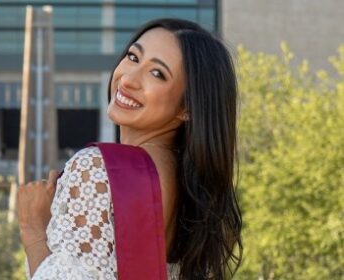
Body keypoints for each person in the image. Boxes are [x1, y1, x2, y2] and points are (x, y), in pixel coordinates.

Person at [17, 18, 242, 280]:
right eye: (133, 57)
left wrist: (32, 228)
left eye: (157, 73)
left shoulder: (99, 170)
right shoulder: (191, 190)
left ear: (188, 108)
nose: (129, 79)